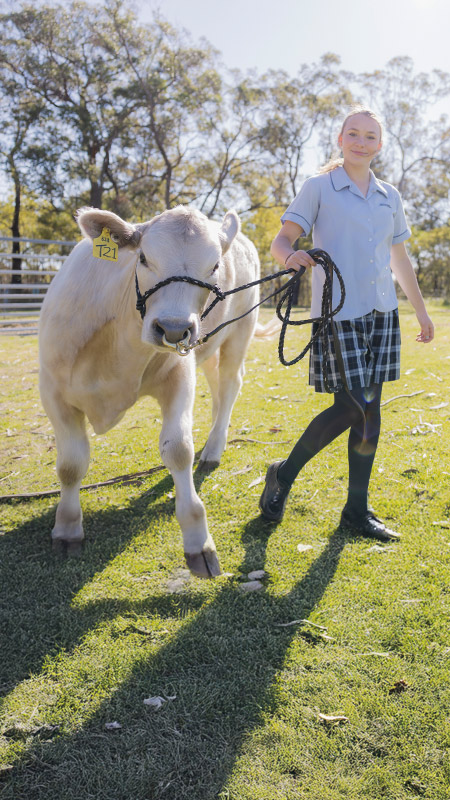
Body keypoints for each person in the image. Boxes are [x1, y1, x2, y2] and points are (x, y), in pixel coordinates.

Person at [259, 105, 434, 540]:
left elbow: (400, 258)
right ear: (340, 139)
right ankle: (284, 472)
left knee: (370, 411)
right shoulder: (319, 187)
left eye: (370, 136)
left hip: (382, 312)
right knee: (353, 405)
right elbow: (282, 240)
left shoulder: (389, 195)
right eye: (353, 134)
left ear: (380, 144)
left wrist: (422, 309)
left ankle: (356, 511)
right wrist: (292, 255)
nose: (361, 142)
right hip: (337, 312)